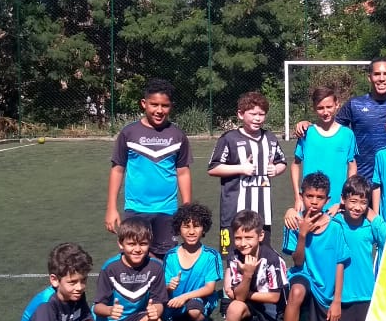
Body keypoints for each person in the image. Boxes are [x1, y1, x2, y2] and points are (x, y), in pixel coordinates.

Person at [104, 79, 192, 257]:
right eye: (154, 104)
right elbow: (117, 170)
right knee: (134, 257)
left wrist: (187, 209)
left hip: (167, 211)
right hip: (135, 209)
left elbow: (183, 172)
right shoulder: (129, 133)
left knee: (165, 260)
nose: (159, 110)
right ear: (144, 103)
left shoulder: (177, 135)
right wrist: (111, 207)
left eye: (165, 105)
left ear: (171, 106)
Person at [294, 58, 386, 180]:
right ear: (369, 77)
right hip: (362, 180)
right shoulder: (355, 104)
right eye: (377, 74)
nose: (381, 78)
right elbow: (331, 127)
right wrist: (308, 124)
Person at [277, 171, 349, 321]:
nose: (314, 202)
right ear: (302, 196)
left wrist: (337, 301)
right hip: (302, 276)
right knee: (297, 290)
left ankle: (302, 318)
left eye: (319, 197)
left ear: (327, 200)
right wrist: (302, 234)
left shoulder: (336, 227)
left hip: (324, 291)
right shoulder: (293, 223)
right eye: (309, 196)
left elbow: (340, 264)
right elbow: (298, 261)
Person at [213, 209, 290, 321]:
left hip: (270, 310)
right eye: (238, 238)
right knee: (234, 308)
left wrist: (245, 294)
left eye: (248, 237)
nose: (243, 243)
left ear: (260, 236)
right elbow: (237, 298)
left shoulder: (272, 259)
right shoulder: (234, 256)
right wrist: (247, 275)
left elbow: (274, 297)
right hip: (249, 305)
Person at [208, 91, 287, 256]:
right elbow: (213, 168)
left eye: (261, 114)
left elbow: (282, 162)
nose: (257, 118)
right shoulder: (229, 139)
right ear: (240, 114)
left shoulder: (270, 138)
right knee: (231, 258)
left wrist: (276, 169)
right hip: (233, 214)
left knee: (262, 257)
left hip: (262, 214)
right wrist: (240, 168)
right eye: (253, 114)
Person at [92, 217, 167, 321]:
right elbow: (98, 306)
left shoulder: (156, 267)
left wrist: (156, 311)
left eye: (143, 244)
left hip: (134, 319)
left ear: (150, 243)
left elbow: (159, 301)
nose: (137, 249)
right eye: (131, 244)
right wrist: (110, 310)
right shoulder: (110, 268)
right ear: (121, 244)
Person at [330, 175, 386, 321]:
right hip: (342, 296)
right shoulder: (335, 222)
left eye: (363, 202)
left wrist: (371, 213)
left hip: (366, 294)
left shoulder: (370, 226)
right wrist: (336, 207)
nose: (357, 207)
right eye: (353, 201)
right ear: (343, 199)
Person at [162, 203, 221, 321]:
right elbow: (163, 289)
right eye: (186, 226)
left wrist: (184, 297)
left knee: (193, 309)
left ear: (204, 228)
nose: (191, 231)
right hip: (176, 309)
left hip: (198, 303)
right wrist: (169, 286)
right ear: (179, 229)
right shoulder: (171, 256)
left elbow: (209, 288)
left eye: (197, 226)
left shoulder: (211, 255)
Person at [287, 86, 358, 219]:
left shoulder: (347, 134)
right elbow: (295, 164)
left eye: (329, 107)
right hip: (310, 203)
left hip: (336, 205)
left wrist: (345, 198)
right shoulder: (307, 133)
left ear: (337, 105)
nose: (325, 112)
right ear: (314, 108)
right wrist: (298, 197)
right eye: (320, 108)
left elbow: (352, 166)